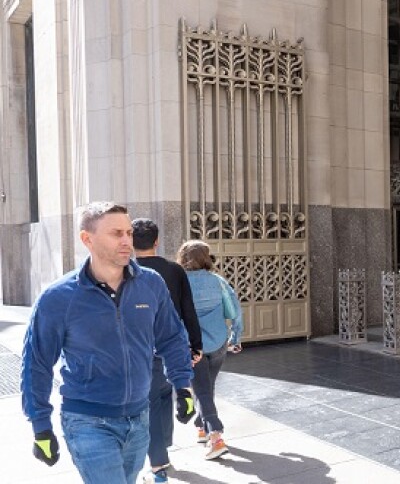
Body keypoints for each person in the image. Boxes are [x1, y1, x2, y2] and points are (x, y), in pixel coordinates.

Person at [20, 201, 196, 484]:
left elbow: (172, 337)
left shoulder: (150, 284)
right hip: (87, 421)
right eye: (116, 234)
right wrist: (40, 425)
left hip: (140, 417)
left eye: (128, 232)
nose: (127, 240)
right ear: (86, 239)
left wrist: (183, 385)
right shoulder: (58, 297)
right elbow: (36, 363)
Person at [132, 218, 204, 484]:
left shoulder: (125, 270)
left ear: (130, 241)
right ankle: (162, 448)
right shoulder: (174, 270)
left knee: (151, 402)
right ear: (156, 241)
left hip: (140, 350)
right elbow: (188, 310)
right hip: (172, 347)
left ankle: (158, 462)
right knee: (163, 396)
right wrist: (196, 345)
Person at [176, 239, 243, 460]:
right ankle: (201, 426)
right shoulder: (218, 281)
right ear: (206, 258)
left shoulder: (179, 283)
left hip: (192, 346)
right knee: (207, 387)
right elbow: (233, 311)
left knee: (203, 390)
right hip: (218, 343)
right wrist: (235, 336)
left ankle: (216, 437)